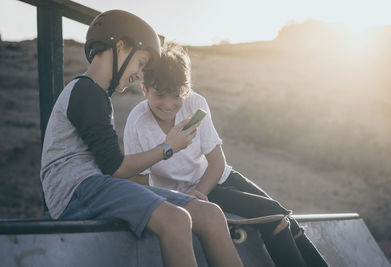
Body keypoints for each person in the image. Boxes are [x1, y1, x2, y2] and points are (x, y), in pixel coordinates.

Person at [40, 10, 242, 267]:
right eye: (140, 63)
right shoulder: (85, 91)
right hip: (76, 191)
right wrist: (168, 147)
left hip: (98, 186)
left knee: (210, 215)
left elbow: (112, 170)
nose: (138, 75)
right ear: (120, 47)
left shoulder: (98, 96)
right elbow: (115, 168)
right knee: (176, 220)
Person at [123, 42, 329, 267]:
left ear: (186, 89)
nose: (169, 104)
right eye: (160, 95)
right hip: (184, 194)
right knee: (273, 217)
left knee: (285, 218)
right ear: (145, 89)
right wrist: (188, 199)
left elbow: (217, 162)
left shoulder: (195, 103)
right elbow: (139, 182)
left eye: (176, 96)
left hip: (214, 179)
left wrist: (200, 191)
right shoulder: (137, 122)